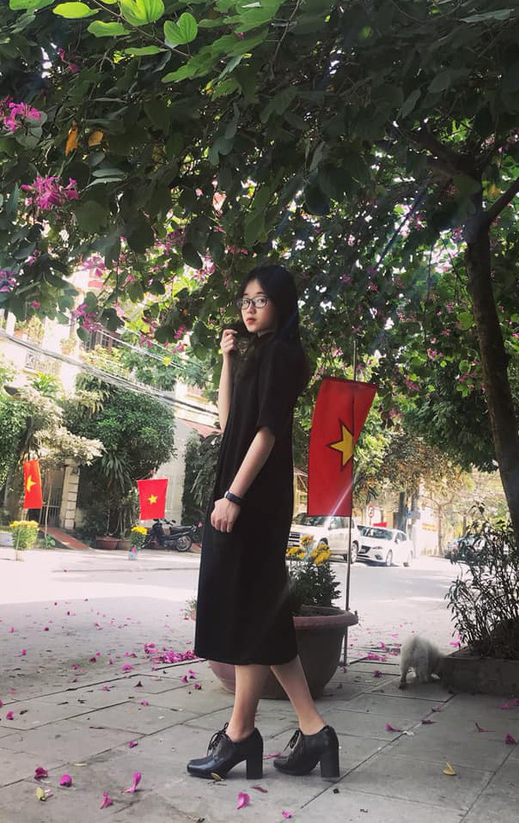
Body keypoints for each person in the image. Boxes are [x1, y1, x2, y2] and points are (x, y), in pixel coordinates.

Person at [187, 264, 340, 782]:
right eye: (245, 300)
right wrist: (227, 361)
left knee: (250, 610)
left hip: (254, 494)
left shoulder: (284, 355)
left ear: (282, 304)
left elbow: (267, 433)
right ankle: (312, 731)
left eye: (261, 300)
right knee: (261, 613)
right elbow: (229, 422)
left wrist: (234, 494)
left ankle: (241, 735)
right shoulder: (256, 353)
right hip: (240, 486)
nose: (250, 309)